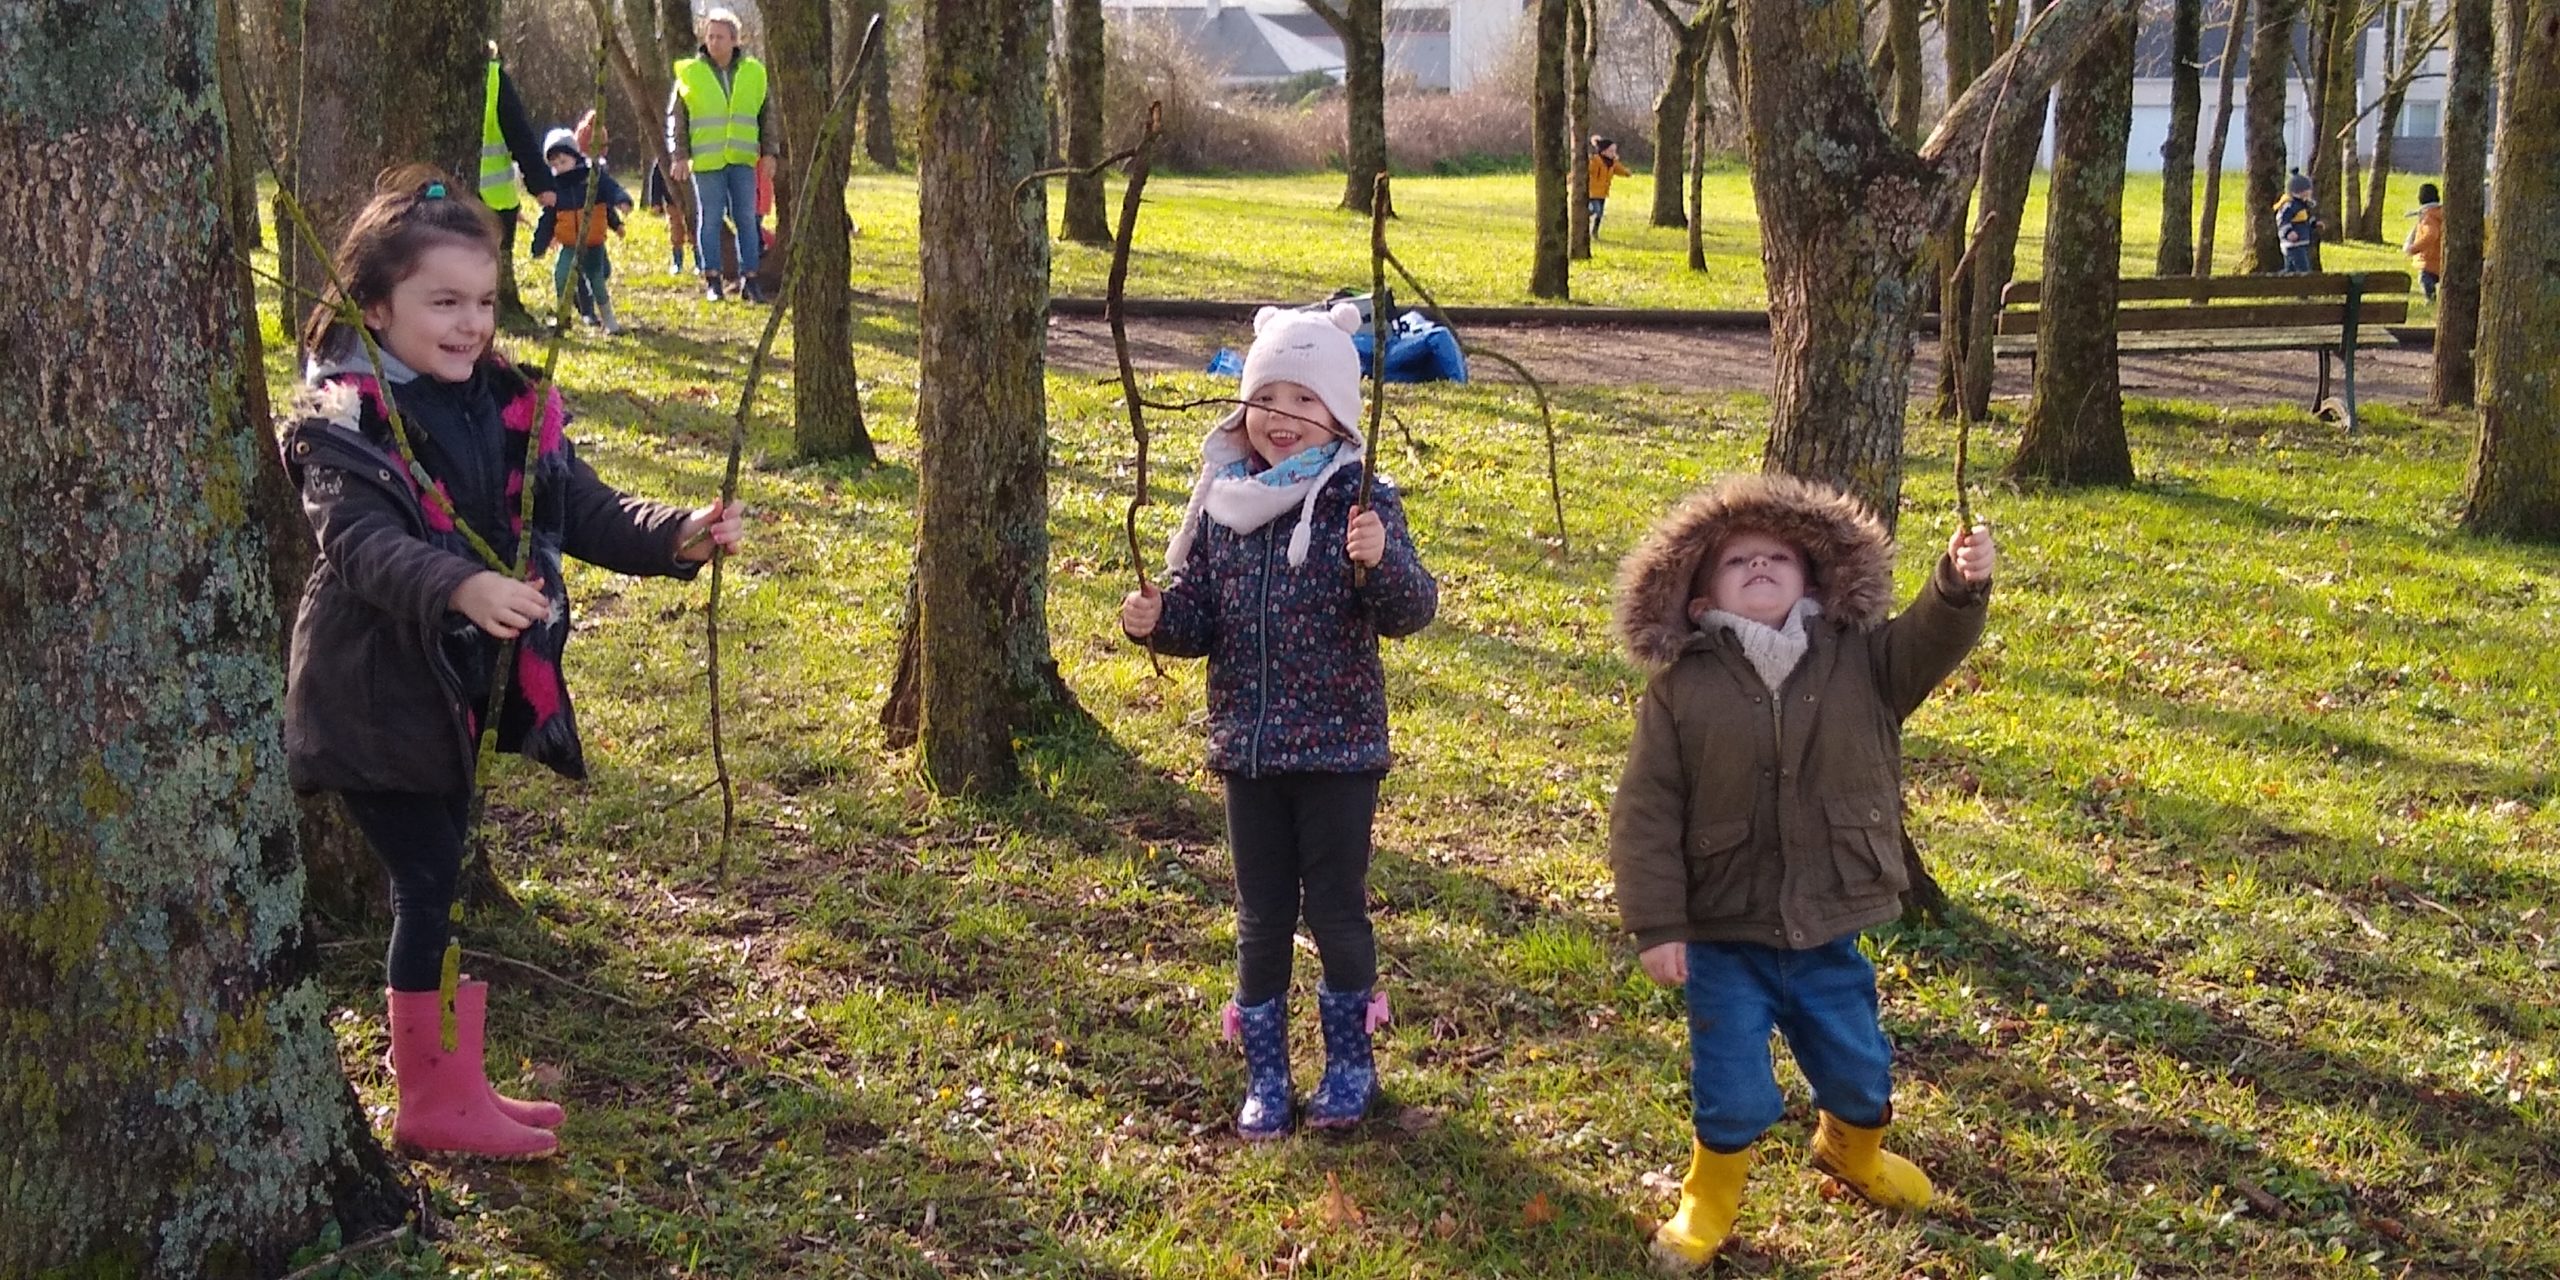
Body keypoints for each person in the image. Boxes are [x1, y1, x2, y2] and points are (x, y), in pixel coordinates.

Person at [283, 165, 745, 1159]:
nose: (470, 325)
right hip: (374, 693)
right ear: (376, 306)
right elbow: (360, 546)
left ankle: (453, 1081)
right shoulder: (343, 419)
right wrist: (460, 585)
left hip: (449, 692)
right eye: (443, 302)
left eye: (484, 302)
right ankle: (432, 1098)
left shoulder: (506, 403)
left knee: (441, 880)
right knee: (428, 881)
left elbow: (582, 505)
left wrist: (677, 532)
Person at [1606, 474, 1994, 1269]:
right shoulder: (1682, 686)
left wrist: (1957, 586)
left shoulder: (1862, 660)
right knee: (1732, 1085)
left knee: (1859, 1069)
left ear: (1812, 581)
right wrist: (1658, 923)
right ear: (1697, 598)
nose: (1759, 566)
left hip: (1828, 919)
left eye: (1777, 557)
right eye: (1737, 560)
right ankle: (1708, 1200)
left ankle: (1853, 1152)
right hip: (1724, 931)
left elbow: (1929, 640)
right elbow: (1645, 810)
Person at [1117, 304, 1439, 1139]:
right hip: (1249, 751)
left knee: (1335, 907)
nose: (1281, 417)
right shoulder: (1224, 505)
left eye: (1304, 401)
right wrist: (1157, 619)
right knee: (1260, 916)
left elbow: (1411, 609)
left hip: (1338, 752)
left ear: (1339, 414)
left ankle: (1350, 1065)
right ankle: (1266, 1074)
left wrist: (1381, 560)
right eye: (1267, 398)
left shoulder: (1359, 502)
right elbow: (1199, 617)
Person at [667, 7, 776, 302]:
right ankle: (712, 279)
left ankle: (750, 279)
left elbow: (767, 115)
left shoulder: (754, 72)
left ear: (734, 40)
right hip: (707, 160)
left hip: (742, 159)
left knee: (747, 219)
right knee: (710, 219)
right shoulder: (690, 73)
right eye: (710, 36)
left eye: (720, 37)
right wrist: (679, 155)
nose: (714, 42)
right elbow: (677, 118)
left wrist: (770, 152)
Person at [478, 46, 556, 319]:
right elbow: (519, 134)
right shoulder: (494, 78)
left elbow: (519, 134)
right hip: (493, 201)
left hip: (459, 198)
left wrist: (540, 183)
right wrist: (541, 184)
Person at [530, 129, 633, 334]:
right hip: (569, 244)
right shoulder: (555, 188)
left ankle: (609, 320)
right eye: (554, 165)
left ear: (575, 157)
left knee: (597, 280)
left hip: (593, 243)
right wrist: (539, 244)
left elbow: (611, 190)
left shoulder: (592, 178)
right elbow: (548, 219)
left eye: (563, 161)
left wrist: (621, 201)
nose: (559, 168)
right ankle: (563, 316)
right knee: (561, 274)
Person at [644, 156, 693, 276]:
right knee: (676, 232)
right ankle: (677, 262)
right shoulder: (663, 159)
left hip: (691, 202)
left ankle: (699, 262)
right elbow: (656, 182)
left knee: (694, 231)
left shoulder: (689, 158)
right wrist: (656, 202)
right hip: (672, 202)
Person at [2275, 169, 2324, 275]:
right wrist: (2288, 232)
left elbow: (2305, 220)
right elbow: (2282, 221)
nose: (2309, 192)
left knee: (2291, 269)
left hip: (2300, 242)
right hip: (2293, 244)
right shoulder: (2290, 205)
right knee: (2303, 269)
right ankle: (2303, 284)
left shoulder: (2302, 205)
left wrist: (2314, 223)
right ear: (2298, 191)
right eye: (2307, 190)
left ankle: (2283, 280)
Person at [2403, 181, 2444, 303]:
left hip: (2429, 260)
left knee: (2425, 280)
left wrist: (2414, 248)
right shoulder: (2441, 213)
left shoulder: (2428, 217)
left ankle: (2430, 301)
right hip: (2442, 258)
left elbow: (2431, 235)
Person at [1587, 136, 1634, 240]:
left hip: (1603, 193)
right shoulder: (1595, 161)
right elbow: (1585, 170)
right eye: (1611, 151)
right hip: (1592, 192)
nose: (1613, 153)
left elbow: (1620, 170)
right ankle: (1583, 216)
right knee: (1595, 210)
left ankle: (1594, 232)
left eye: (1614, 151)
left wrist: (1627, 173)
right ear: (1603, 151)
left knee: (1600, 214)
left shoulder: (1613, 163)